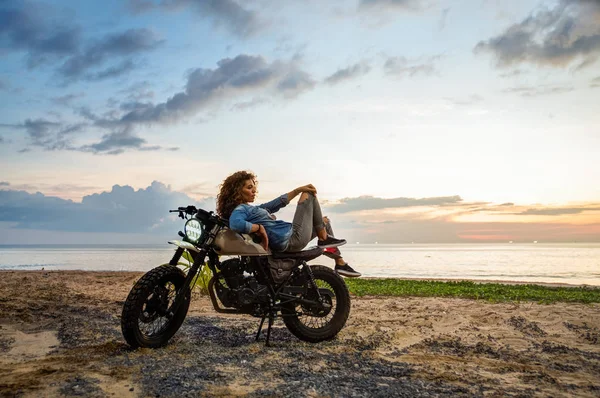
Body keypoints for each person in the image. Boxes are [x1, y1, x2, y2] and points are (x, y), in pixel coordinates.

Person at [216, 170, 361, 277]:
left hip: (290, 237)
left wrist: (297, 190)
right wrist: (258, 228)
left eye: (254, 187)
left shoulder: (251, 209)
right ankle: (324, 239)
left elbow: (277, 203)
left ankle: (340, 262)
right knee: (309, 195)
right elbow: (235, 224)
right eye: (249, 187)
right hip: (291, 238)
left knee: (324, 221)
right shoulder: (241, 209)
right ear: (236, 191)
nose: (254, 190)